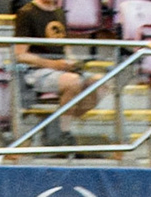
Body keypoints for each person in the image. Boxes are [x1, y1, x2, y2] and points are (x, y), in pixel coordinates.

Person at [13, 0, 99, 147]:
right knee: (72, 82)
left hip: (61, 69)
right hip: (36, 71)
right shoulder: (26, 13)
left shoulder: (59, 12)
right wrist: (53, 64)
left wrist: (71, 62)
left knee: (100, 84)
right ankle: (63, 133)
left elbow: (65, 47)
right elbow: (20, 54)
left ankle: (55, 123)